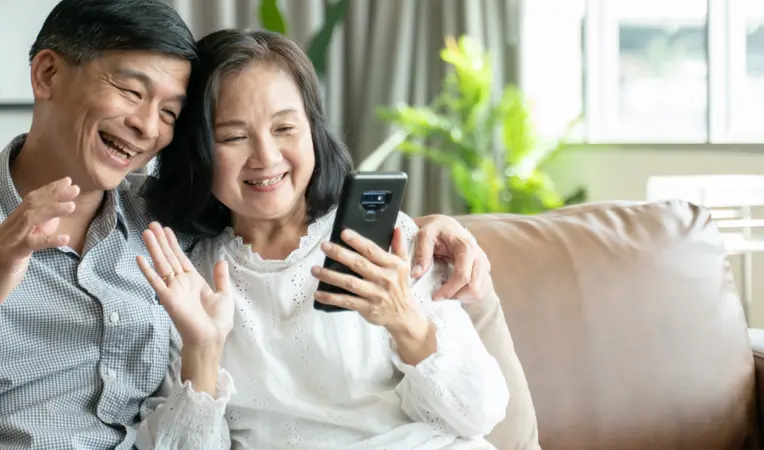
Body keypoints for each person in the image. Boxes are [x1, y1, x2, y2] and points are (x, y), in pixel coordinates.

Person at [0, 1, 492, 448]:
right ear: (46, 74)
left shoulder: (160, 228)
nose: (148, 127)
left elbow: (270, 212)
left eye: (169, 112)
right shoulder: (183, 248)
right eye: (130, 91)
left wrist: (439, 233)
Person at [132, 28, 509, 450]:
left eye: (285, 128)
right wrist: (202, 349)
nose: (267, 157)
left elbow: (481, 414)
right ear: (196, 150)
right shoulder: (185, 277)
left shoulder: (391, 240)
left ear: (313, 129)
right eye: (234, 137)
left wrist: (405, 320)